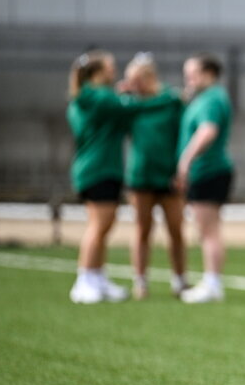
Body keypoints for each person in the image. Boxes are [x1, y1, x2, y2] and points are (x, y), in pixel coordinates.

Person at [66, 50, 176, 304]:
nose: (115, 72)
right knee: (99, 225)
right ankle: (84, 280)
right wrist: (168, 97)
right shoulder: (101, 98)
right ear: (98, 72)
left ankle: (97, 277)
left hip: (93, 168)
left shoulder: (86, 97)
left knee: (101, 224)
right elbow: (139, 106)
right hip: (100, 168)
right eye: (110, 67)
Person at [122, 53, 188, 300]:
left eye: (135, 79)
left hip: (169, 175)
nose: (132, 85)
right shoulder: (130, 105)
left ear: (150, 77)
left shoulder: (172, 102)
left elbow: (183, 135)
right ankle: (140, 281)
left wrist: (181, 170)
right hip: (141, 175)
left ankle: (180, 281)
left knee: (176, 230)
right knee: (142, 229)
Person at [175, 53, 235, 304]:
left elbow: (208, 131)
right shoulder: (207, 98)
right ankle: (211, 281)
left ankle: (212, 283)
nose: (189, 79)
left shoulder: (211, 99)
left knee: (208, 231)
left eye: (193, 73)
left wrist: (186, 160)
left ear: (209, 73)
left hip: (208, 171)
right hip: (210, 171)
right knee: (209, 230)